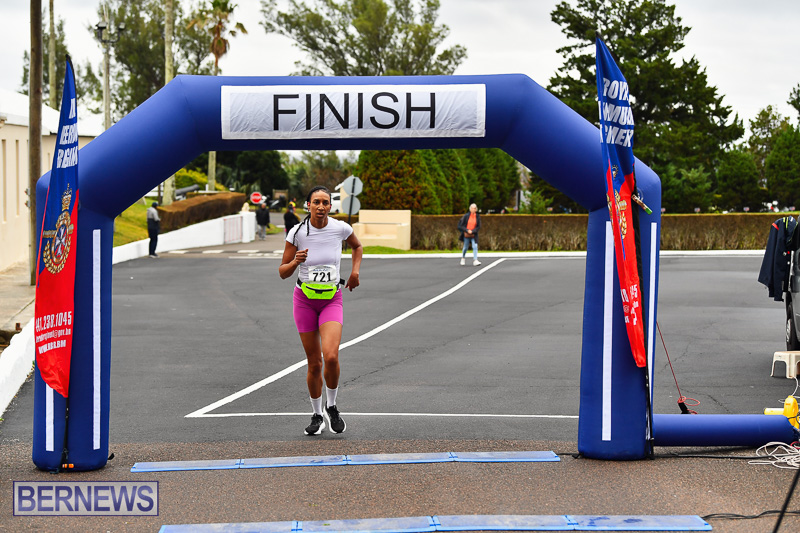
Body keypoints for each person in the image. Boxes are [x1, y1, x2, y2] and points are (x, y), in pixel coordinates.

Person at [279, 186, 363, 436]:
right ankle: (317, 415)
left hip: (331, 299)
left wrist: (355, 272)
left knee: (332, 356)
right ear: (308, 205)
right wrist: (296, 261)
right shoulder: (297, 232)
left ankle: (332, 407)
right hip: (304, 300)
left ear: (330, 206)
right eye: (316, 202)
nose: (321, 206)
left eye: (325, 202)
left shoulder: (340, 228)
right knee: (314, 363)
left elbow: (357, 247)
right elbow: (282, 271)